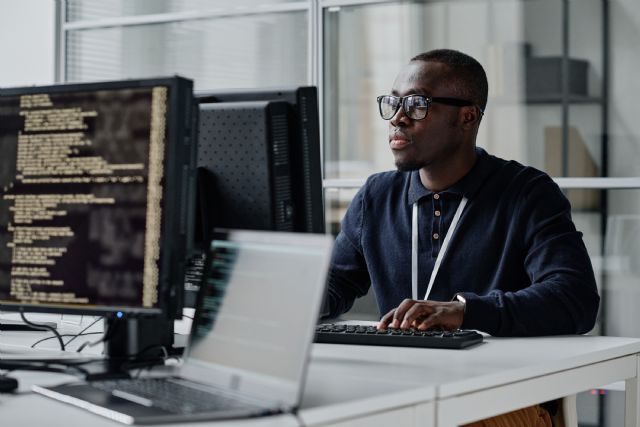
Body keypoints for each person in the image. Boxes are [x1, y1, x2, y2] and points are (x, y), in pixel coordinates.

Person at [324, 49, 600, 426]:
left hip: (503, 398)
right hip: (402, 391)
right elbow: (336, 283)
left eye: (417, 104)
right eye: (393, 102)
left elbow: (575, 299)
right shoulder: (376, 196)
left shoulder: (527, 192)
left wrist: (464, 311)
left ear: (467, 117)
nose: (398, 118)